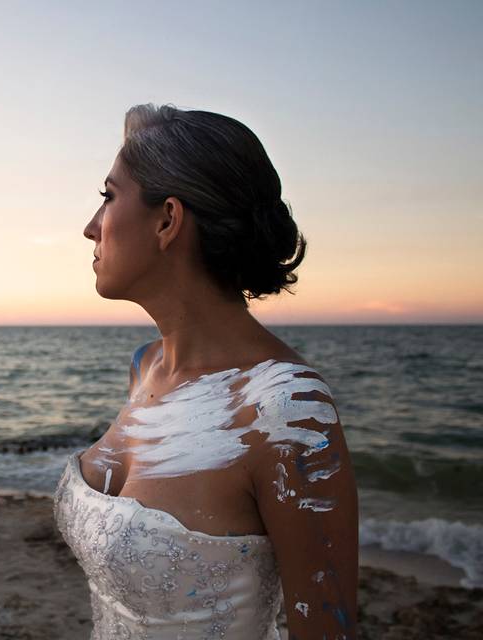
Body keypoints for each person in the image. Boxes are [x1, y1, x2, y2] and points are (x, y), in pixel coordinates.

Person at [53, 103, 358, 640]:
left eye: (108, 197)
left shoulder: (284, 409)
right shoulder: (146, 368)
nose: (89, 228)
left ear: (168, 220)